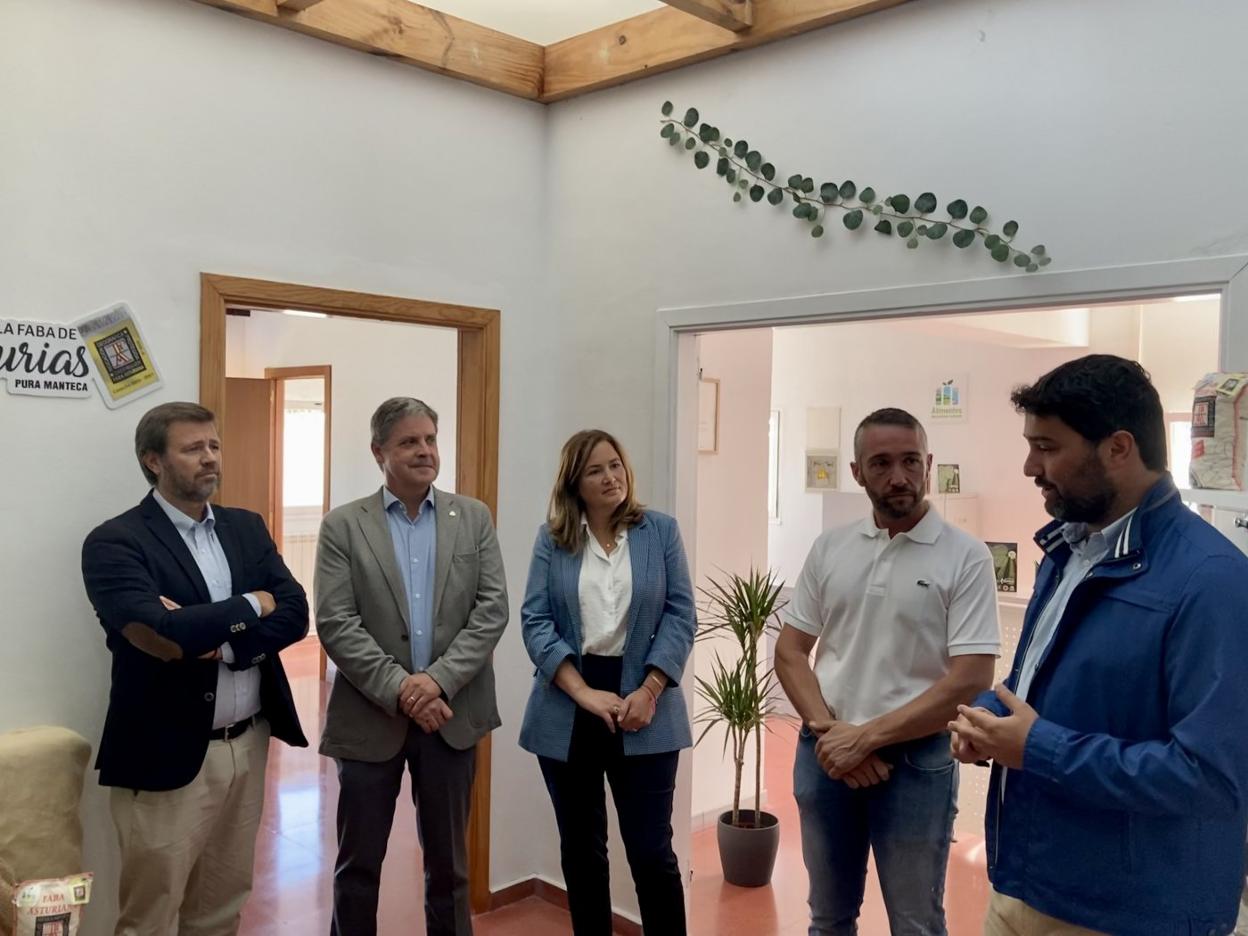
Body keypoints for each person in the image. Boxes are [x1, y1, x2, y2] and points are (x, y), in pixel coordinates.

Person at [949, 354, 1248, 936]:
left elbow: (1210, 777)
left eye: (1048, 446)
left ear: (1118, 448)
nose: (1030, 466)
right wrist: (990, 718)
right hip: (1025, 884)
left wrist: (1037, 749)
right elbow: (1043, 686)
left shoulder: (1212, 581)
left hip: (1129, 913)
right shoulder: (1067, 553)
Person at [81, 401, 309, 936]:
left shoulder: (246, 528)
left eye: (213, 445)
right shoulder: (115, 542)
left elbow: (297, 612)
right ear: (153, 460)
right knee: (152, 914)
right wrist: (254, 603)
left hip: (247, 742)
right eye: (192, 449)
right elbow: (166, 634)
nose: (210, 459)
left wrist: (224, 644)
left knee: (223, 903)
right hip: (164, 754)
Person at [774, 407, 999, 935]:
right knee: (827, 918)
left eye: (910, 461)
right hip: (825, 754)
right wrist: (834, 737)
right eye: (880, 463)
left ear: (928, 465)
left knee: (915, 922)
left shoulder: (965, 557)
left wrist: (865, 739)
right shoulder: (832, 547)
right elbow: (789, 651)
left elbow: (970, 679)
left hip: (915, 764)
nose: (898, 476)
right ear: (856, 471)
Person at [315, 397, 508, 936]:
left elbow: (492, 610)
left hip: (452, 716)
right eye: (409, 442)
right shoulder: (343, 526)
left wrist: (436, 682)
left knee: (450, 868)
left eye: (429, 439)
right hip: (369, 718)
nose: (424, 451)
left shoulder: (472, 517)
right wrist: (404, 690)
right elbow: (335, 622)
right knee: (358, 867)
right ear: (379, 452)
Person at [518, 429, 695, 936]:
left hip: (647, 700)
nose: (611, 477)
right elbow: (535, 621)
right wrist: (582, 692)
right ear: (575, 482)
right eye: (596, 470)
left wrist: (651, 689)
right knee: (581, 848)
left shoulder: (660, 531)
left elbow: (681, 615)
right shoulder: (552, 540)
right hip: (569, 700)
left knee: (651, 851)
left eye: (615, 465)